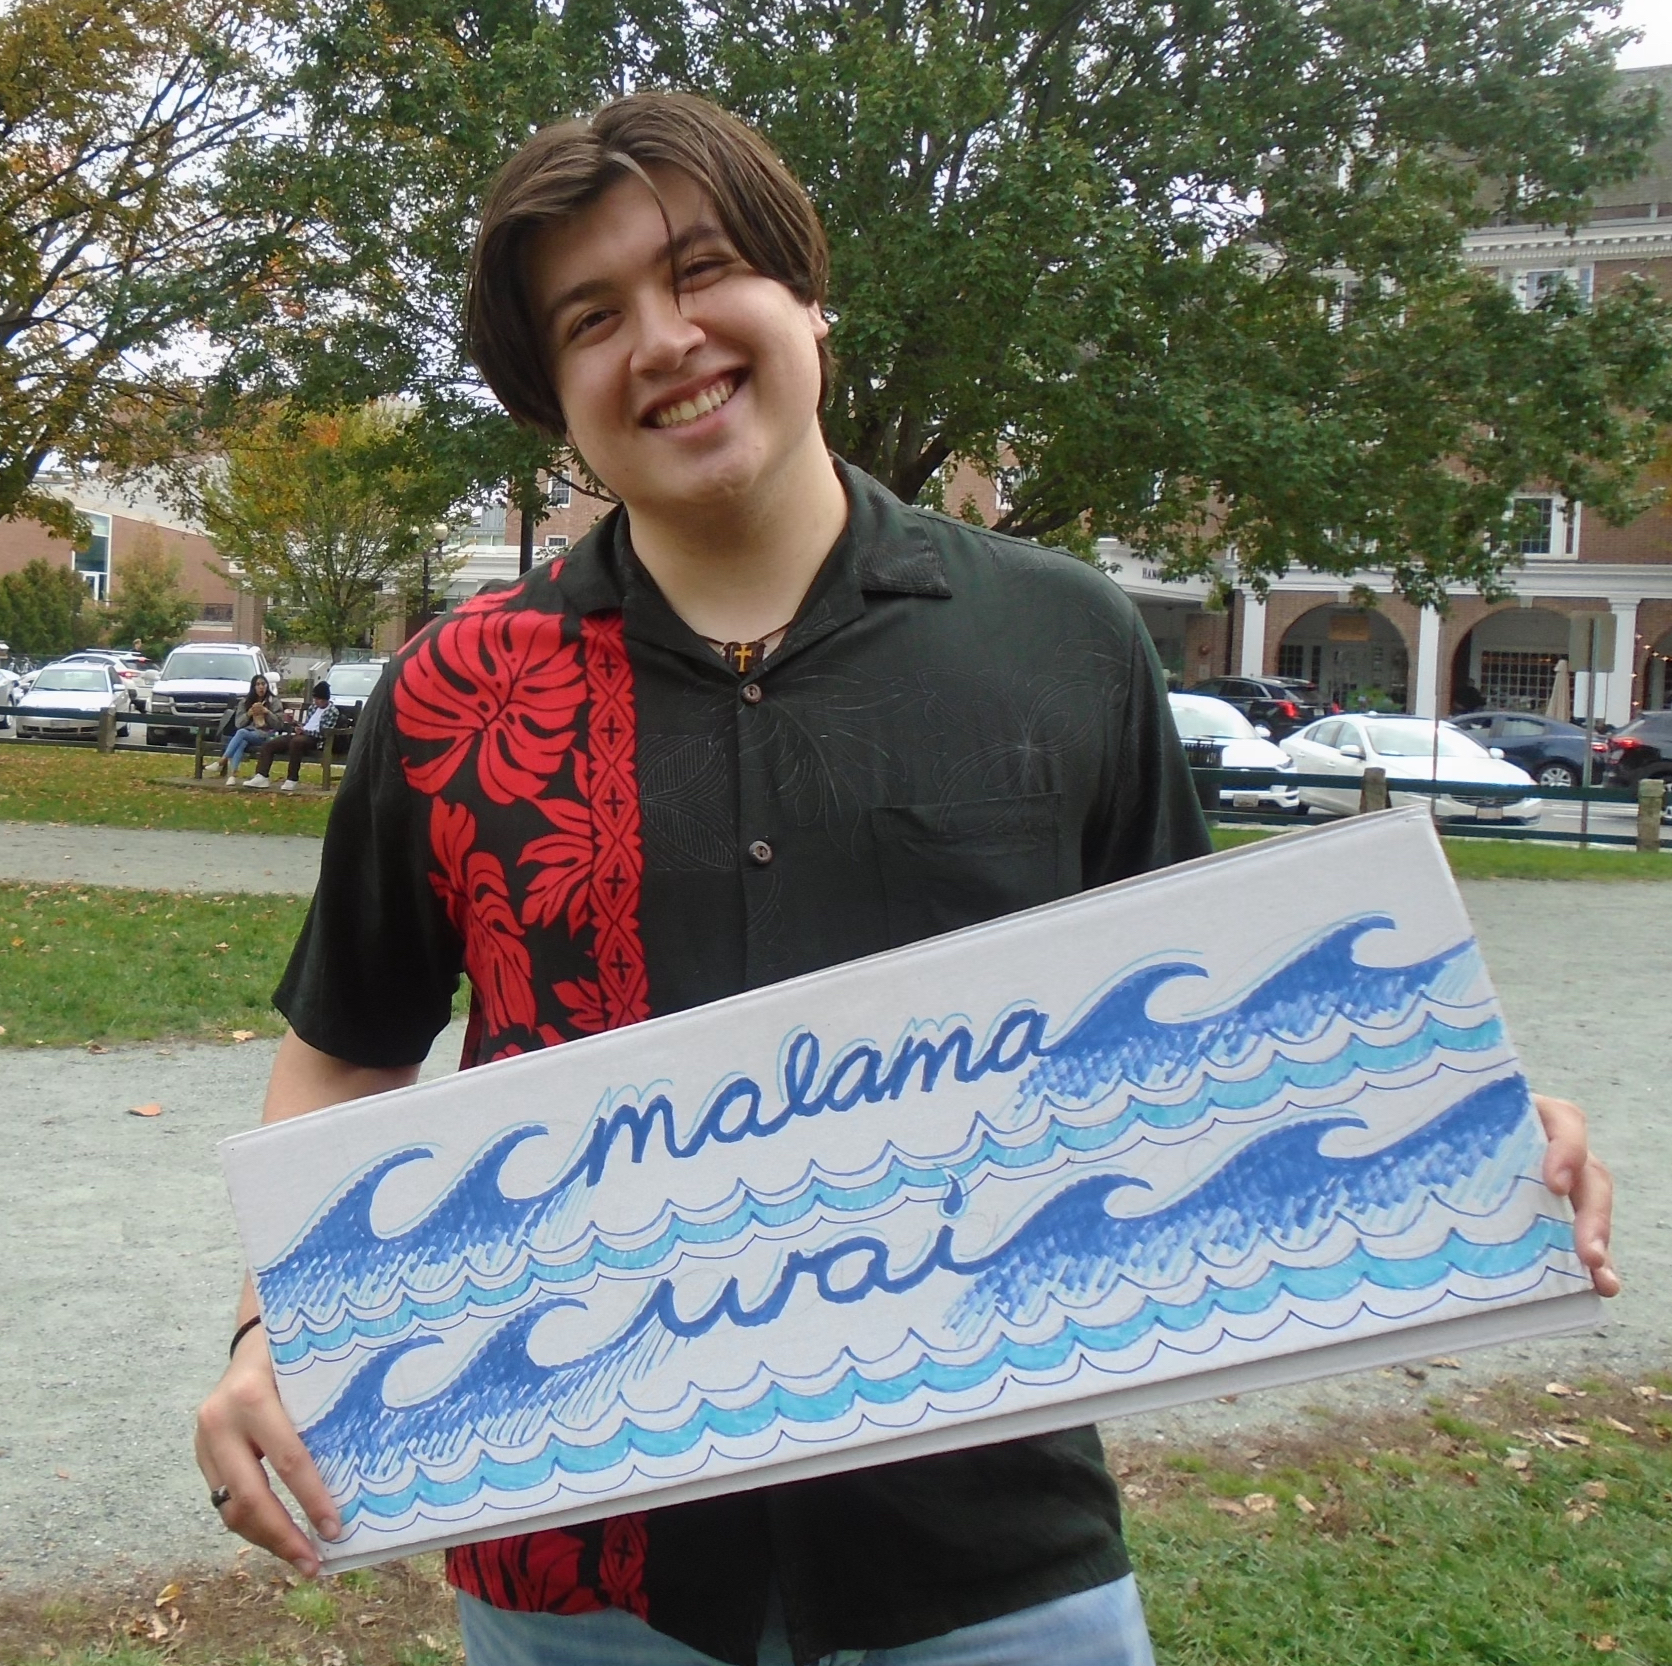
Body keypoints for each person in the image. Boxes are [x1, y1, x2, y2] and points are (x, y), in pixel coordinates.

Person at [195, 92, 1619, 1666]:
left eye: (702, 270)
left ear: (808, 295)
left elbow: (1212, 1042)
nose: (662, 339)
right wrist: (276, 1327)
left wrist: (1450, 1124)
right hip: (578, 1572)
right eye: (592, 318)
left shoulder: (1064, 642)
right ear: (555, 397)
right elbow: (349, 1050)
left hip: (994, 1564)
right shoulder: (455, 694)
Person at [243, 681, 337, 792]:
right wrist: (295, 724)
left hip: (316, 740)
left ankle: (292, 779)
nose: (316, 702)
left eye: (318, 699)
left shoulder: (332, 711)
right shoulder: (313, 708)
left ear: (325, 699)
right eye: (315, 699)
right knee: (271, 744)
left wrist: (305, 731)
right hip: (302, 735)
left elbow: (324, 733)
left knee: (296, 743)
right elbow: (308, 725)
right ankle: (261, 776)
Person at [220, 673, 281, 781]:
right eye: (258, 684)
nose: (261, 687)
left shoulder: (274, 701)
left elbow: (279, 724)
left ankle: (222, 760)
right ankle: (232, 776)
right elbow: (238, 724)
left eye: (263, 684)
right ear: (253, 687)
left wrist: (267, 712)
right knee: (241, 741)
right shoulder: (245, 702)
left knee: (241, 733)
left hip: (266, 735)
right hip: (249, 734)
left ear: (267, 686)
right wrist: (248, 714)